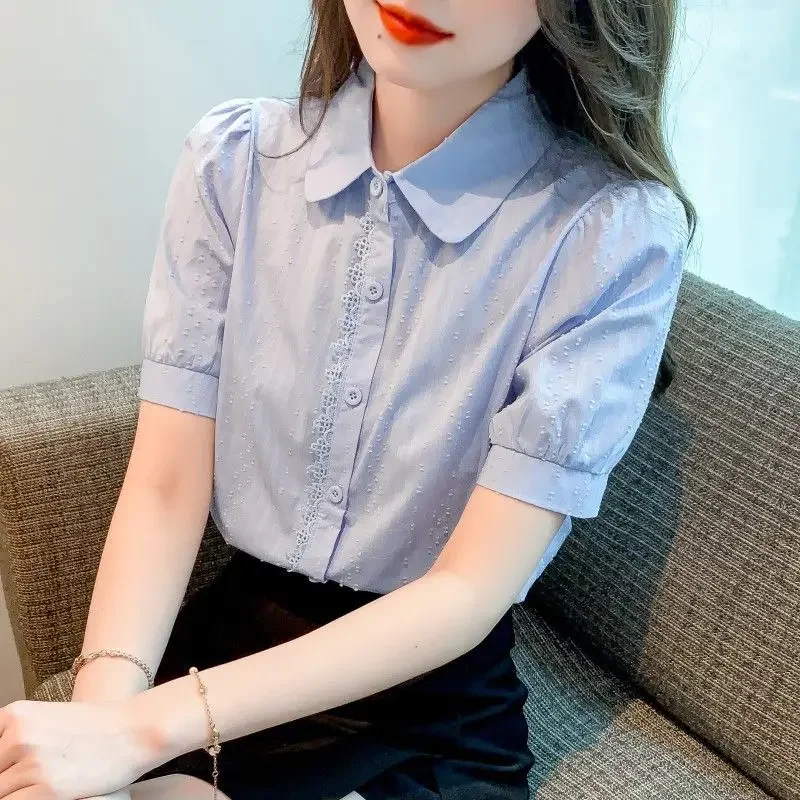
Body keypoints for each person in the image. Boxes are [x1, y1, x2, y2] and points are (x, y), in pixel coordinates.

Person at [0, 0, 695, 798]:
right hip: (224, 656)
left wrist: (141, 730)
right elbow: (165, 488)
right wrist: (102, 727)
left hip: (423, 701)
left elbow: (468, 588)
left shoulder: (609, 236)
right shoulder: (234, 164)